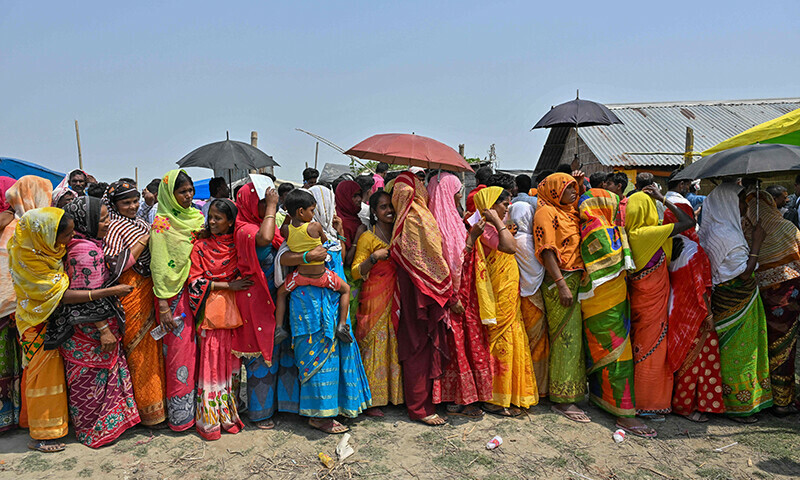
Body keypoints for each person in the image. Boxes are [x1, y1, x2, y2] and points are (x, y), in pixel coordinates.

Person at [43, 196, 140, 448]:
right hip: (91, 329)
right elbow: (88, 296)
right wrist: (104, 330)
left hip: (80, 329)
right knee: (93, 380)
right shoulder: (86, 251)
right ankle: (96, 430)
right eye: (103, 219)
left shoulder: (78, 244)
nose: (108, 223)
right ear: (86, 222)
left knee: (87, 380)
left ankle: (96, 427)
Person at [578, 188, 656, 437]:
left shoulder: (610, 228)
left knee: (606, 351)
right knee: (617, 354)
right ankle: (625, 415)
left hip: (610, 299)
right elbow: (611, 264)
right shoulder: (597, 229)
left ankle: (602, 400)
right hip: (603, 302)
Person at [388, 172, 460, 425]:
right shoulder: (418, 216)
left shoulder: (407, 217)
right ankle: (419, 407)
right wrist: (448, 291)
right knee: (418, 345)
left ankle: (423, 403)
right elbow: (431, 257)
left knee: (418, 344)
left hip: (417, 285)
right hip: (422, 288)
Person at [698, 182, 773, 422]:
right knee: (739, 352)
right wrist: (758, 242)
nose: (745, 206)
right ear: (729, 203)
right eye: (742, 201)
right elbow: (743, 272)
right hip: (736, 301)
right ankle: (738, 405)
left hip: (723, 299)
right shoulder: (728, 236)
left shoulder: (713, 229)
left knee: (729, 350)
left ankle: (730, 398)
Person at [626, 186, 695, 421]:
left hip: (640, 300)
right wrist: (663, 199)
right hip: (652, 304)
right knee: (652, 350)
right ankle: (648, 403)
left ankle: (633, 399)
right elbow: (688, 222)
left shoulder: (629, 234)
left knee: (640, 346)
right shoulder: (650, 233)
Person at [233, 182, 299, 430]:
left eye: (267, 202)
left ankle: (283, 404)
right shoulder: (245, 228)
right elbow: (266, 238)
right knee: (260, 356)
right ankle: (260, 412)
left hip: (275, 299)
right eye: (261, 202)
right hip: (257, 301)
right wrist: (273, 206)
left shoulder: (261, 225)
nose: (266, 206)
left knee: (281, 351)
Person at [103, 180, 167, 427]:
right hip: (129, 292)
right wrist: (144, 240)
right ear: (115, 205)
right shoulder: (114, 227)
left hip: (148, 291)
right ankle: (142, 412)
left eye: (134, 201)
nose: (132, 206)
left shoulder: (140, 223)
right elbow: (118, 264)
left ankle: (157, 406)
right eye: (125, 202)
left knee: (152, 349)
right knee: (136, 351)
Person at [428, 173, 493, 417]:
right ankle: (456, 399)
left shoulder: (452, 220)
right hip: (452, 295)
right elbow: (450, 263)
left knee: (465, 344)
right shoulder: (437, 225)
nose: (459, 195)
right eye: (456, 191)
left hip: (465, 294)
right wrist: (472, 239)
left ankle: (465, 397)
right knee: (454, 346)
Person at [9, 208, 73, 452]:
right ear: (46, 235)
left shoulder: (47, 249)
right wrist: (102, 293)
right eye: (67, 235)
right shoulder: (27, 256)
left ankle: (50, 426)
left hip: (47, 320)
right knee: (42, 379)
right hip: (35, 323)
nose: (71, 239)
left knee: (50, 375)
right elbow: (54, 291)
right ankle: (42, 435)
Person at [662, 175, 724, 423]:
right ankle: (692, 406)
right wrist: (708, 313)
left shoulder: (665, 245)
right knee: (701, 357)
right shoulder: (694, 250)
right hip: (696, 313)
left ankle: (675, 401)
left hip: (673, 311)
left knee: (678, 354)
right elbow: (701, 287)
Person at [188, 198, 250, 440]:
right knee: (211, 364)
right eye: (210, 217)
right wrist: (228, 285)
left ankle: (229, 411)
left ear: (230, 221)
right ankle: (211, 418)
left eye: (218, 218)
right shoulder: (200, 247)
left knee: (231, 363)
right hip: (211, 313)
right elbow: (195, 281)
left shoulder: (239, 246)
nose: (212, 222)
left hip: (234, 313)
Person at [474, 187, 538, 416]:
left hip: (508, 293)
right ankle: (493, 399)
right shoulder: (486, 230)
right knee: (499, 343)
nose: (507, 207)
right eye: (503, 204)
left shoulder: (498, 228)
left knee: (511, 339)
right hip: (497, 295)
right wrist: (495, 220)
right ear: (490, 206)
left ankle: (508, 396)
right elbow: (510, 248)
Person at [150, 169, 205, 431]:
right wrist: (162, 304)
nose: (188, 196)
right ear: (169, 194)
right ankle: (180, 417)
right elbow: (159, 265)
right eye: (182, 191)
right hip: (172, 297)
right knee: (178, 355)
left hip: (196, 294)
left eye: (191, 190)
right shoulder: (162, 222)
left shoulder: (196, 218)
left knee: (195, 352)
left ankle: (196, 409)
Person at [534, 172, 589, 422]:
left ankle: (571, 391)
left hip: (574, 279)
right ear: (555, 191)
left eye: (574, 187)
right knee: (565, 339)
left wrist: (583, 181)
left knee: (573, 339)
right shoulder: (546, 213)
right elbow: (546, 250)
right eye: (568, 188)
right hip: (560, 281)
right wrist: (561, 284)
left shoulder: (568, 211)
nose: (573, 191)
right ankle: (562, 399)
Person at [0, 176, 52, 435]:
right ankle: (35, 422)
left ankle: (25, 417)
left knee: (26, 366)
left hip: (21, 310)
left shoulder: (20, 225)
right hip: (31, 310)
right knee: (33, 368)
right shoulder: (27, 228)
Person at [744, 189, 800, 416]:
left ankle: (764, 395)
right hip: (789, 297)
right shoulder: (788, 228)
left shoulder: (746, 230)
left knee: (762, 344)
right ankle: (782, 400)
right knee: (786, 347)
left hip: (759, 296)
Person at [350, 191, 403, 417]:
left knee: (396, 341)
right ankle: (373, 398)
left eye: (391, 206)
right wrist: (373, 258)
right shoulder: (368, 238)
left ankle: (396, 394)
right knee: (375, 344)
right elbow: (354, 271)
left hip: (399, 295)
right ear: (374, 211)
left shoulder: (403, 233)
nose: (389, 210)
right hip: (375, 298)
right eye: (383, 207)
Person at [275, 189, 352, 344]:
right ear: (301, 211)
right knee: (346, 289)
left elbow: (284, 229)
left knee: (281, 293)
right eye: (312, 210)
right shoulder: (315, 226)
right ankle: (342, 325)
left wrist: (289, 215)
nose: (314, 213)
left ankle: (278, 327)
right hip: (321, 277)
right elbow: (327, 243)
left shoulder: (286, 230)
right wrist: (337, 236)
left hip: (299, 278)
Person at [508, 201, 549, 401]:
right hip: (532, 297)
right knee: (537, 343)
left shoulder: (511, 238)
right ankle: (537, 386)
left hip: (519, 296)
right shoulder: (527, 241)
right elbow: (536, 271)